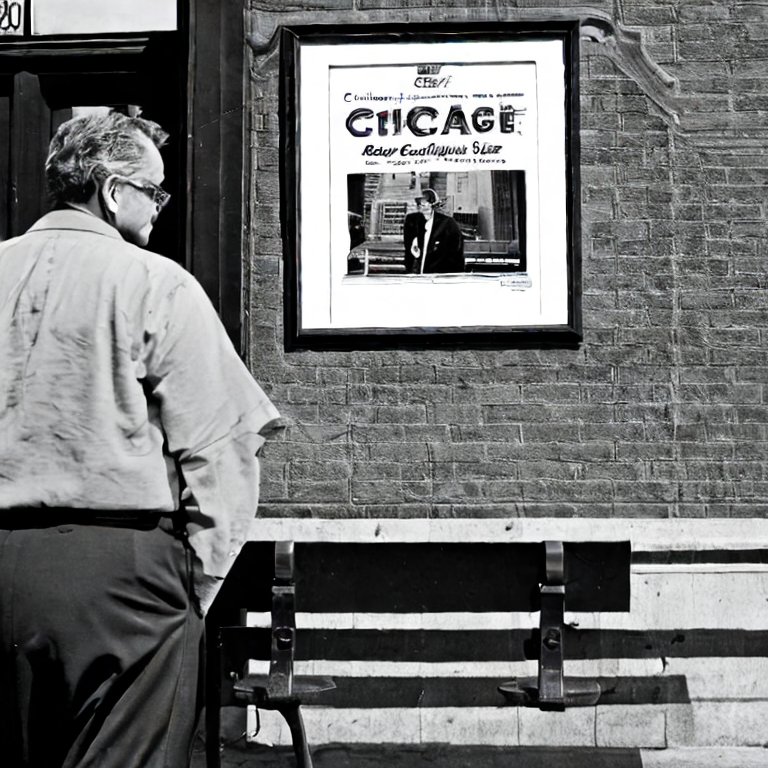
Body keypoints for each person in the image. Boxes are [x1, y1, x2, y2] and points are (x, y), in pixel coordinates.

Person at [0, 111, 280, 767]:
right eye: (154, 191)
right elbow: (223, 447)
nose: (159, 208)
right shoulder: (153, 281)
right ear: (112, 191)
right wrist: (190, 587)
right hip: (116, 568)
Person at [403, 188, 464, 274]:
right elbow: (409, 248)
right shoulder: (412, 220)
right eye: (420, 203)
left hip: (439, 272)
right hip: (418, 271)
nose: (421, 205)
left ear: (432, 204)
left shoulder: (447, 223)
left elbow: (454, 251)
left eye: (425, 202)